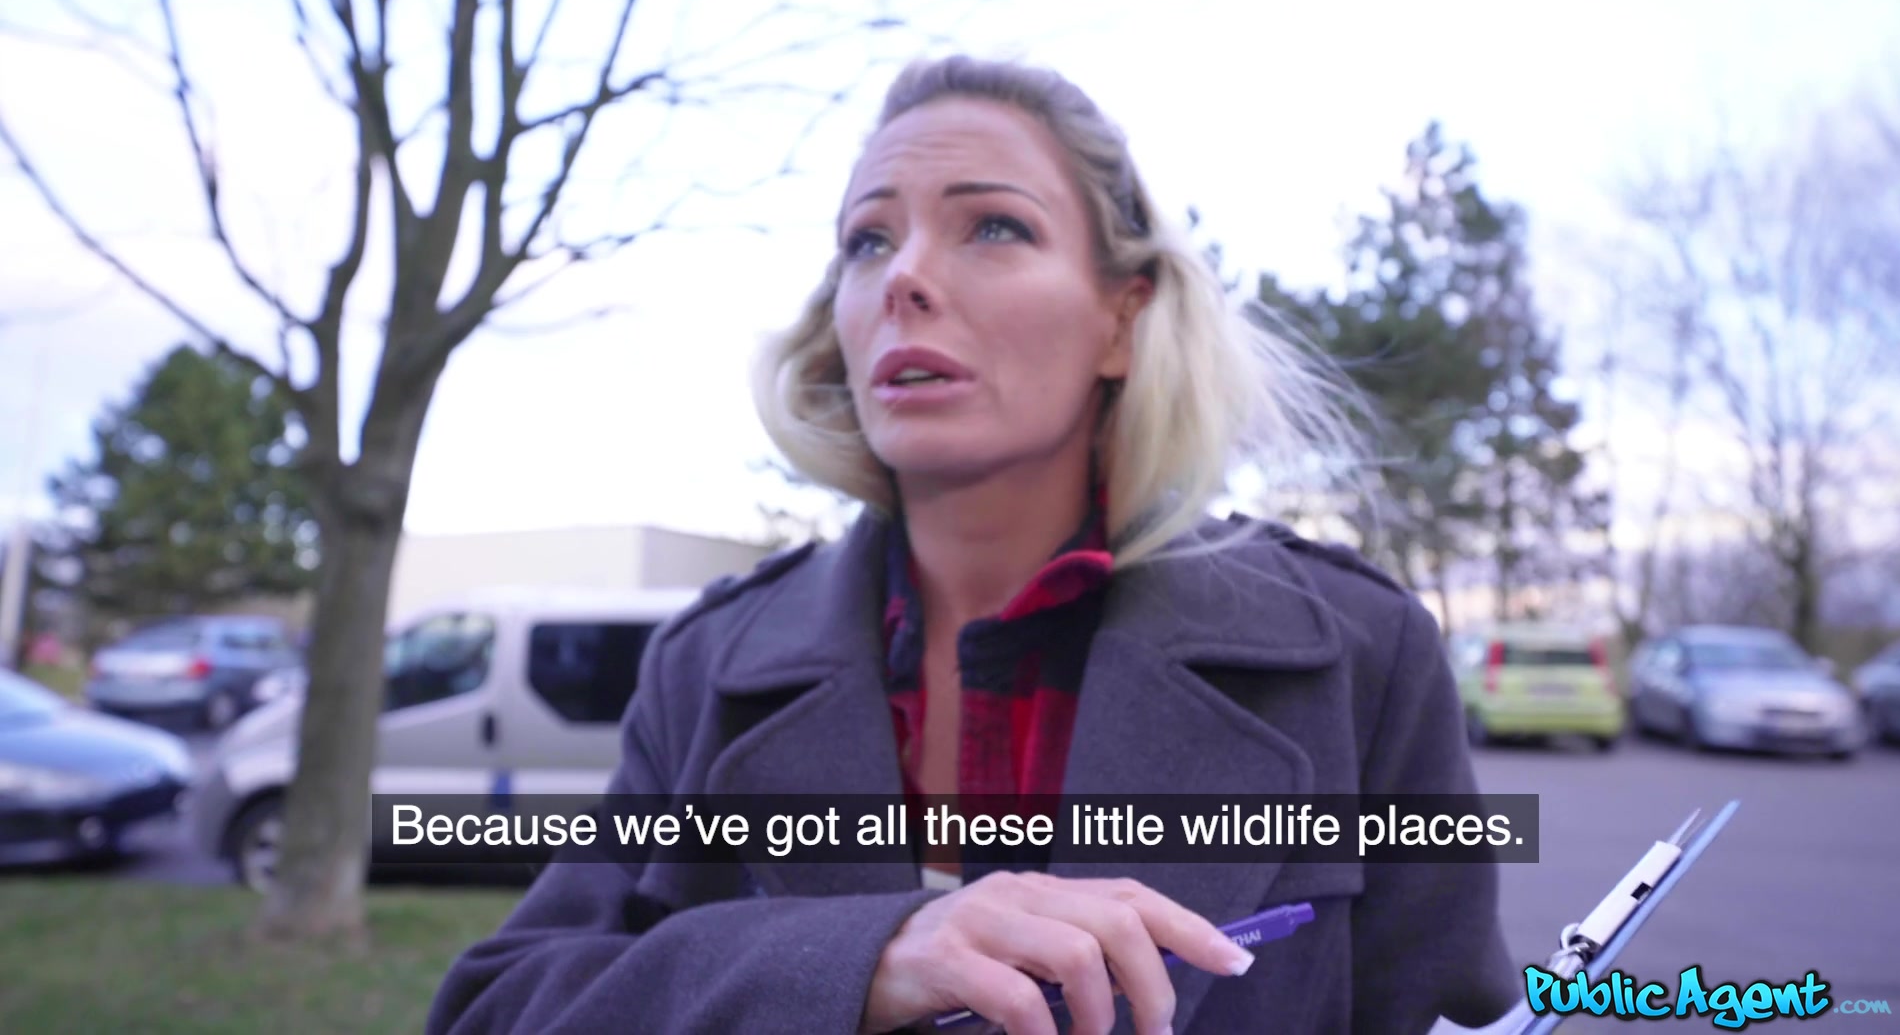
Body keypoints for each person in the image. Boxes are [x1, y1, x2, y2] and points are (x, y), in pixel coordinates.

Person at [427, 55, 1519, 1035]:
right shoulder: (706, 666)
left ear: (1123, 317)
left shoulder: (1359, 655)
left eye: (993, 226)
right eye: (868, 240)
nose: (904, 276)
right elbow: (498, 1009)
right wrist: (861, 959)